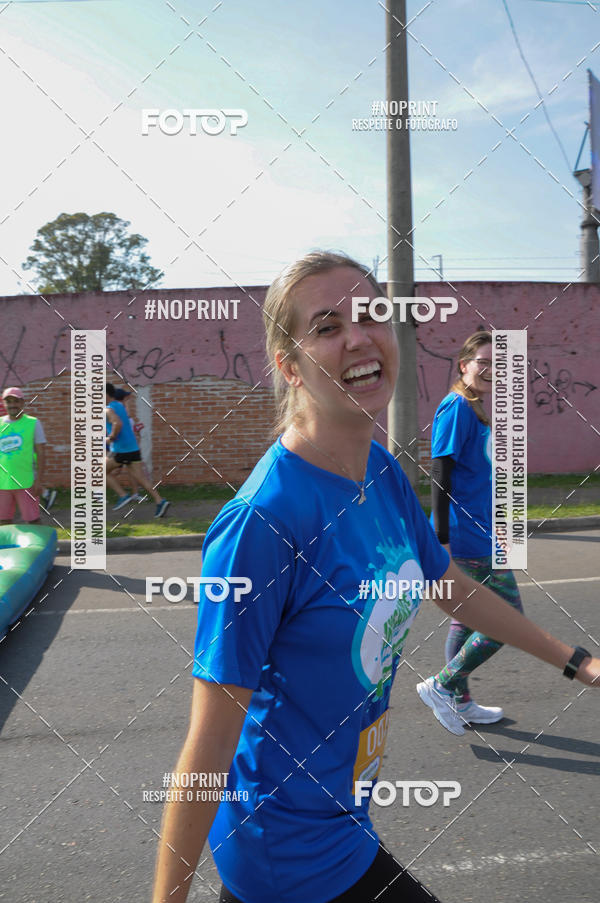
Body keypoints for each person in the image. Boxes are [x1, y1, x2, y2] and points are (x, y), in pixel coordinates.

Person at [151, 253, 600, 903]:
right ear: (289, 364)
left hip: (345, 824)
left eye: (371, 315)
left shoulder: (382, 472)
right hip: (289, 855)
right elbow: (209, 739)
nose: (358, 336)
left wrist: (576, 659)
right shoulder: (263, 522)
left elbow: (449, 584)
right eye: (327, 326)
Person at [416, 331, 522, 735]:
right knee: (507, 617)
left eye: (498, 363)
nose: (491, 369)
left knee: (464, 620)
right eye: (483, 361)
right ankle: (442, 686)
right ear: (464, 366)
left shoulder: (476, 408)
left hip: (482, 531)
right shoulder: (456, 407)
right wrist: (442, 538)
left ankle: (460, 701)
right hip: (465, 537)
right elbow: (440, 473)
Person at [105, 383, 169, 518]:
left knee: (101, 471)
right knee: (141, 478)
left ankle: (123, 495)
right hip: (133, 448)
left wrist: (111, 437)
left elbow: (118, 423)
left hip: (121, 450)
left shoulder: (108, 410)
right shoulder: (119, 406)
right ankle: (160, 500)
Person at [0, 387, 46, 525]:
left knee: (33, 520)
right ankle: (5, 547)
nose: (13, 405)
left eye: (16, 401)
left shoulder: (33, 423)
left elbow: (41, 453)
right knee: (3, 521)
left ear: (23, 403)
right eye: (9, 401)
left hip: (26, 482)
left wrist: (39, 481)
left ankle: (41, 547)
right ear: (4, 403)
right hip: (2, 483)